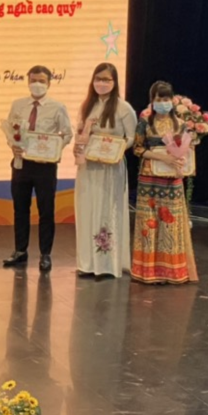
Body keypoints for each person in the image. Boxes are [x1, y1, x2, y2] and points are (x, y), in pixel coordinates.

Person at [2, 66, 73, 272]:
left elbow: (67, 134)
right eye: (33, 80)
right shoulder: (18, 105)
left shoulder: (57, 107)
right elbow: (10, 130)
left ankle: (45, 254)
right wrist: (12, 144)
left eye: (41, 81)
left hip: (45, 166)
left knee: (46, 210)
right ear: (28, 81)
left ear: (49, 83)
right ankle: (20, 250)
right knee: (20, 209)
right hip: (21, 163)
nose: (37, 84)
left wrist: (54, 147)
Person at [73, 63, 137, 278]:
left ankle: (107, 264)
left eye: (106, 79)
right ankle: (87, 263)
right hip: (88, 167)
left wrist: (114, 149)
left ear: (115, 82)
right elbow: (79, 133)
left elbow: (132, 138)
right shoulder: (86, 106)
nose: (101, 83)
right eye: (98, 79)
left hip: (111, 168)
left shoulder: (123, 108)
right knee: (88, 209)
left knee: (107, 210)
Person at [131, 81, 199, 284]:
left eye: (166, 98)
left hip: (172, 179)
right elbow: (137, 149)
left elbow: (187, 151)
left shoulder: (180, 124)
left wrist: (183, 163)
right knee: (149, 223)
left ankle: (171, 272)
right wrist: (162, 157)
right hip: (149, 179)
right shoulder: (145, 122)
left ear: (172, 100)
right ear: (152, 101)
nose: (163, 103)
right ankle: (149, 272)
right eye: (159, 99)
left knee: (171, 224)